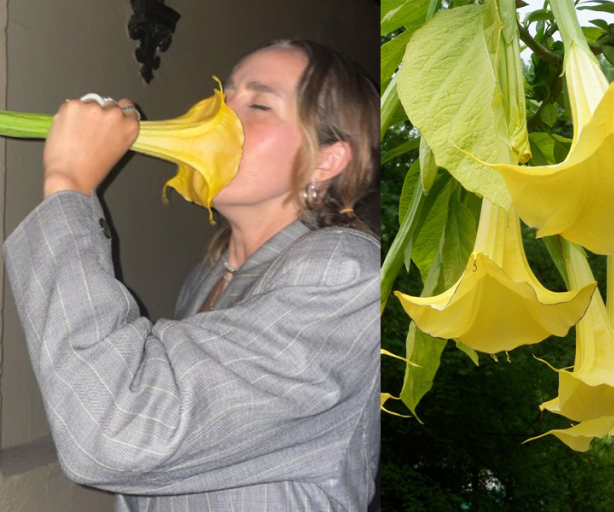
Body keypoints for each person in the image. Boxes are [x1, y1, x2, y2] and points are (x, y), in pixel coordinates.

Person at [2, 40, 380, 511]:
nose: (221, 114)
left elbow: (120, 431)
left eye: (259, 104)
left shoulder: (345, 272)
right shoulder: (212, 273)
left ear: (326, 160)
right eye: (226, 97)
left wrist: (69, 185)